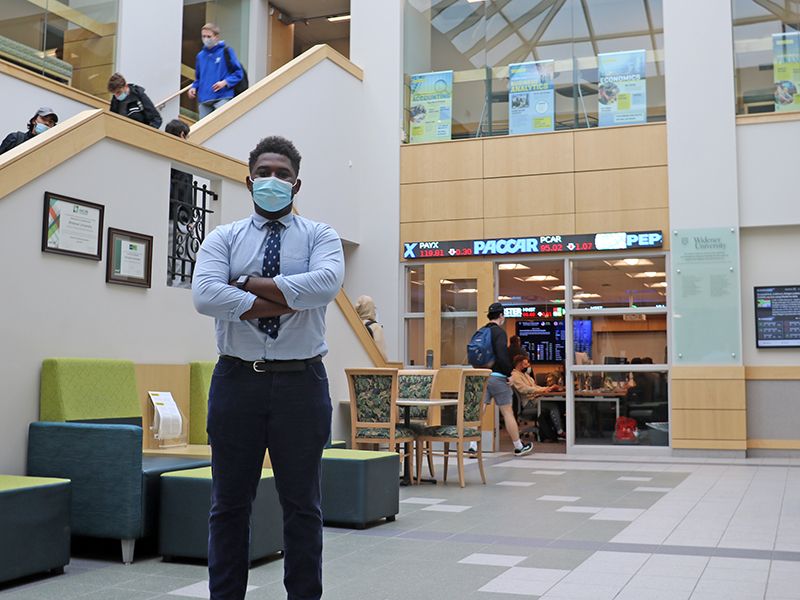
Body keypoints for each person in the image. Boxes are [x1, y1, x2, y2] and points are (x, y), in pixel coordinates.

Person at [192, 135, 344, 600]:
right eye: (264, 173)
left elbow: (324, 285)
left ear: (297, 184)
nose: (272, 181)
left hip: (302, 383)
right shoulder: (223, 237)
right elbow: (205, 296)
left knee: (302, 507)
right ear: (248, 179)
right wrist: (283, 299)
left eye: (282, 174)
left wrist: (246, 287)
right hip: (237, 380)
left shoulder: (322, 236)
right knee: (229, 506)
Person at [468, 302, 533, 457]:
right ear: (501, 316)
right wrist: (509, 374)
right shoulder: (499, 333)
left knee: (479, 411)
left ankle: (471, 445)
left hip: (482, 376)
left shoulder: (481, 331)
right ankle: (518, 446)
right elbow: (502, 356)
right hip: (497, 377)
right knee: (507, 412)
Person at [188, 22, 244, 119]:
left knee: (221, 123)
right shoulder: (200, 56)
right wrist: (193, 87)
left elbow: (238, 73)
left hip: (222, 96)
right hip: (204, 99)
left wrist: (225, 82)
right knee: (204, 130)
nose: (206, 39)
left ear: (216, 37)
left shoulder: (226, 51)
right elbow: (198, 78)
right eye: (203, 36)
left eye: (209, 36)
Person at [164, 119, 194, 287]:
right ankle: (178, 289)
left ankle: (169, 285)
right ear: (182, 135)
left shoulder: (163, 153)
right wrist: (189, 218)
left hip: (168, 215)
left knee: (169, 257)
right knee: (182, 261)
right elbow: (185, 190)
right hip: (179, 217)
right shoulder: (182, 156)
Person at [509, 355, 565, 440]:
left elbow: (535, 387)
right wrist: (543, 391)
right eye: (525, 364)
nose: (528, 366)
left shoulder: (525, 375)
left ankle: (556, 429)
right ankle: (560, 432)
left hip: (535, 399)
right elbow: (524, 389)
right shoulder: (515, 376)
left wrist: (547, 389)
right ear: (519, 364)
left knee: (560, 404)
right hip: (529, 403)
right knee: (552, 406)